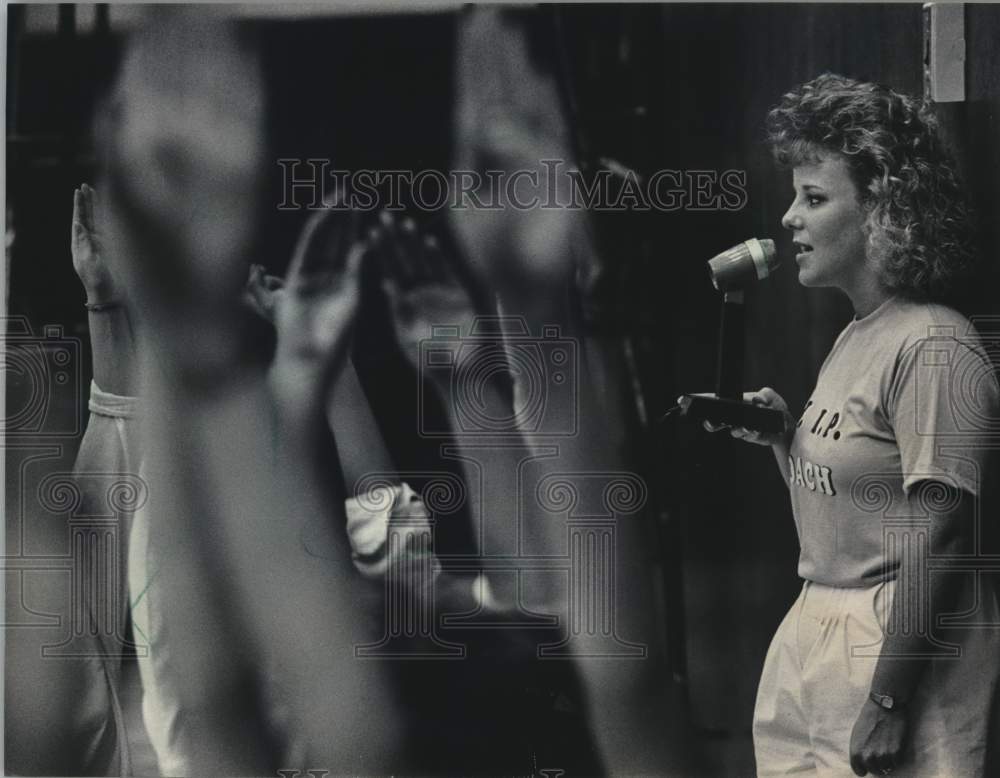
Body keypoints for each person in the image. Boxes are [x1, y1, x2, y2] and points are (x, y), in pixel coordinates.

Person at [719, 73, 1000, 777]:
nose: (789, 218)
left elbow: (941, 538)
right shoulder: (855, 337)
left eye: (813, 198)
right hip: (816, 623)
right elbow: (843, 517)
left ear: (882, 209)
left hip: (893, 646)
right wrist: (786, 437)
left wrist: (887, 699)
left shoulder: (936, 345)